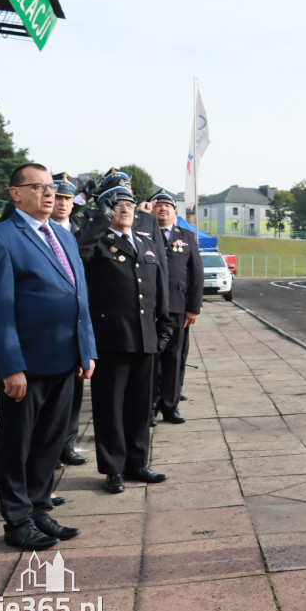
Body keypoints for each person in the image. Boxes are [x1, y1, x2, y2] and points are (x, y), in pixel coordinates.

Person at [0, 163, 97, 550]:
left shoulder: (63, 236)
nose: (49, 193)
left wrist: (87, 349)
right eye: (39, 186)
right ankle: (17, 521)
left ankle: (40, 509)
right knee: (17, 444)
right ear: (15, 193)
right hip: (26, 365)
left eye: (52, 187)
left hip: (65, 359)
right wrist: (11, 366)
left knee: (49, 442)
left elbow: (80, 298)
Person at [77, 185, 172, 494]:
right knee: (110, 407)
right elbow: (78, 258)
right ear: (108, 210)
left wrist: (165, 325)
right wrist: (98, 220)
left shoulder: (146, 241)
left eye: (129, 204)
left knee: (139, 406)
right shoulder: (96, 242)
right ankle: (113, 468)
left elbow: (160, 284)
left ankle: (137, 462)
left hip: (145, 337)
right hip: (111, 338)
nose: (125, 208)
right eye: (117, 204)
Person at [150, 190, 203, 424]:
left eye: (167, 206)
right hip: (149, 309)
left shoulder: (187, 236)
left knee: (173, 360)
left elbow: (196, 274)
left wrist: (194, 308)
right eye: (158, 205)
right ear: (151, 211)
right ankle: (149, 407)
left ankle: (170, 407)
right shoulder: (143, 234)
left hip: (178, 308)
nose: (162, 209)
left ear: (174, 211)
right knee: (150, 361)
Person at [49, 173, 88, 467]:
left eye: (68, 199)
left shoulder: (81, 230)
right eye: (59, 197)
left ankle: (68, 443)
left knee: (75, 388)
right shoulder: (39, 231)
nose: (63, 203)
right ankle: (49, 448)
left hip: (79, 320)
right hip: (50, 326)